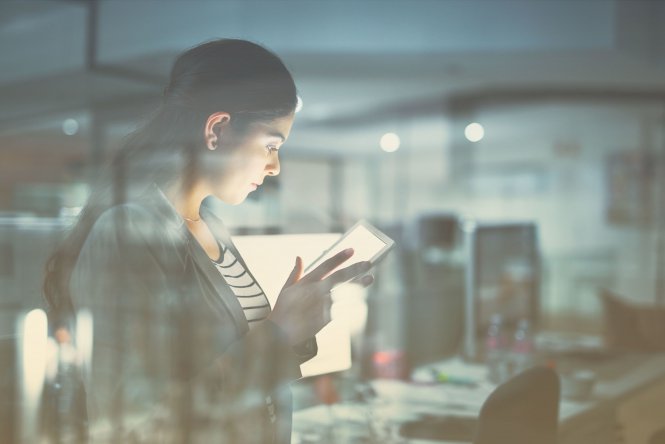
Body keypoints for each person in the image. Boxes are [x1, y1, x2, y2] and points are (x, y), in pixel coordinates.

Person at [43, 39, 372, 443]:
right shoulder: (128, 231)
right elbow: (136, 420)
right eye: (271, 145)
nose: (275, 167)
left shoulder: (210, 227)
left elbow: (243, 367)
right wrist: (278, 331)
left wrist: (297, 320)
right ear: (216, 129)